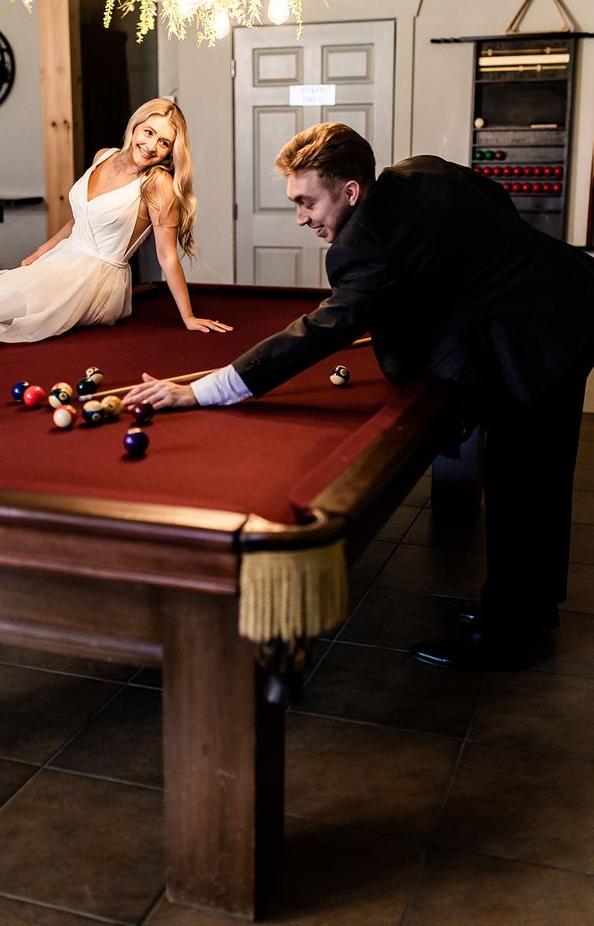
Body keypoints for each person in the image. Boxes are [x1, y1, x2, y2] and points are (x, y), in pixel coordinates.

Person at [122, 122, 594, 670]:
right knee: (540, 474)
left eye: (306, 202)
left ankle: (508, 632)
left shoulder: (364, 247)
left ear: (350, 190)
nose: (301, 218)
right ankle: (530, 610)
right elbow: (491, 197)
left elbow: (321, 331)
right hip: (568, 298)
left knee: (522, 478)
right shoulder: (418, 171)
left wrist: (206, 389)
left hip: (545, 333)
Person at [0, 99, 232, 346]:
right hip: (62, 261)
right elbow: (78, 220)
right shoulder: (103, 156)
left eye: (164, 143)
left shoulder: (157, 185)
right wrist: (42, 250)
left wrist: (188, 317)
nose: (152, 146)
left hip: (97, 279)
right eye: (149, 132)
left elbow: (167, 255)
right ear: (135, 127)